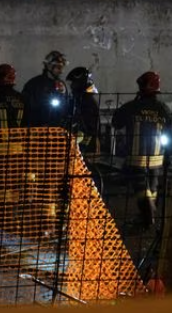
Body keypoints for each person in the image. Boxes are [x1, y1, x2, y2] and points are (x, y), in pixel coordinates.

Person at [112, 71, 172, 230]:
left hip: (136, 158)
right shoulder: (163, 109)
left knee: (140, 189)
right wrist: (168, 157)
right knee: (152, 189)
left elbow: (116, 122)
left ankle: (148, 215)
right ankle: (145, 217)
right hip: (157, 159)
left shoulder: (132, 107)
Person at [0, 64, 28, 226]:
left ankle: (0, 217)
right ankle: (12, 217)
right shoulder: (22, 98)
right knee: (14, 183)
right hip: (19, 149)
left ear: (0, 78)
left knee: (0, 184)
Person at [22, 50, 72, 128]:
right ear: (49, 66)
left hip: (57, 130)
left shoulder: (61, 84)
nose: (61, 71)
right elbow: (27, 108)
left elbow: (65, 106)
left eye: (62, 67)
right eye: (58, 67)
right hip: (38, 129)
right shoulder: (34, 84)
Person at [66, 66, 101, 159]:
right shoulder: (82, 99)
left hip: (86, 143)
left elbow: (87, 125)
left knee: (85, 167)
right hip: (84, 141)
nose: (71, 86)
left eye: (73, 83)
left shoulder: (85, 100)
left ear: (79, 83)